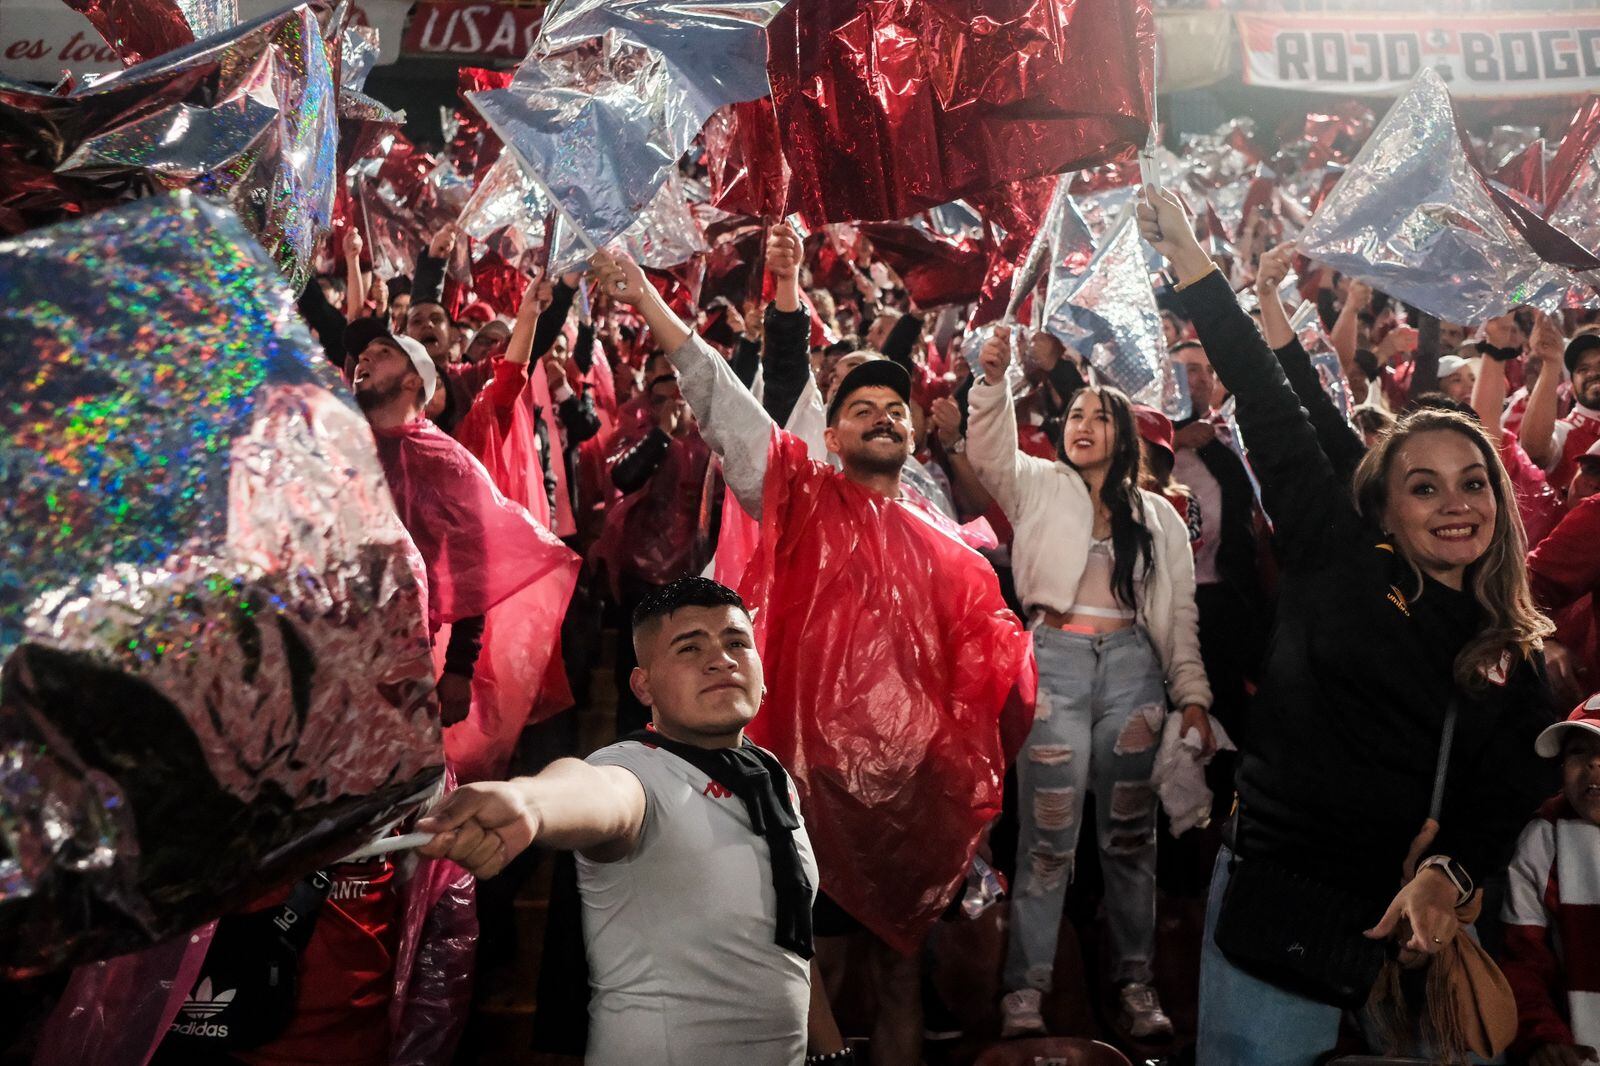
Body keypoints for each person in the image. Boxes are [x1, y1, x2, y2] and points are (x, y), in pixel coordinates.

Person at [1137, 186, 1559, 1064]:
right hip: (1286, 907)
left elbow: (1508, 789)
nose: (1455, 504)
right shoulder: (1336, 558)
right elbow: (1273, 404)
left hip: (1422, 935)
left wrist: (1448, 877)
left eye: (1474, 482)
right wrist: (1195, 266)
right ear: (1384, 508)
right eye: (1424, 485)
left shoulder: (1514, 647)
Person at [590, 248, 1034, 1066]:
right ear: (830, 434)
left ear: (912, 433)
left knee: (900, 980)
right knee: (812, 977)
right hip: (809, 798)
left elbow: (994, 683)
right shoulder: (799, 499)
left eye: (895, 409)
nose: (882, 416)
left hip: (912, 808)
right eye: (861, 407)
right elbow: (724, 404)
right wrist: (651, 301)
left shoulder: (957, 559)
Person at [417, 578, 831, 1066]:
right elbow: (598, 791)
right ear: (643, 685)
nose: (721, 659)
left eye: (736, 642)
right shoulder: (640, 770)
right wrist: (530, 801)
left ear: (762, 675)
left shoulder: (771, 776)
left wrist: (832, 1049)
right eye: (689, 647)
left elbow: (790, 937)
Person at [965, 328, 1211, 1041]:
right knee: (1046, 840)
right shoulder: (1038, 483)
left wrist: (1192, 695)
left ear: (1124, 433)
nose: (1083, 426)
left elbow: (1179, 614)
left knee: (1131, 838)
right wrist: (991, 383)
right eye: (1074, 416)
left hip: (1134, 669)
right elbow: (986, 452)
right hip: (1057, 666)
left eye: (1099, 416)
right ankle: (1026, 993)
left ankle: (1135, 984)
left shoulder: (1158, 516)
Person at [1500, 695, 1600, 1066]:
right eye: (1577, 751)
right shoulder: (1544, 838)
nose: (1592, 762)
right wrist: (1543, 1037)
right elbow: (1523, 960)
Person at [1523, 333, 1600, 496]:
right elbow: (1534, 452)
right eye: (1583, 369)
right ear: (1571, 387)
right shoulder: (1564, 432)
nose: (1593, 373)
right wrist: (1551, 363)